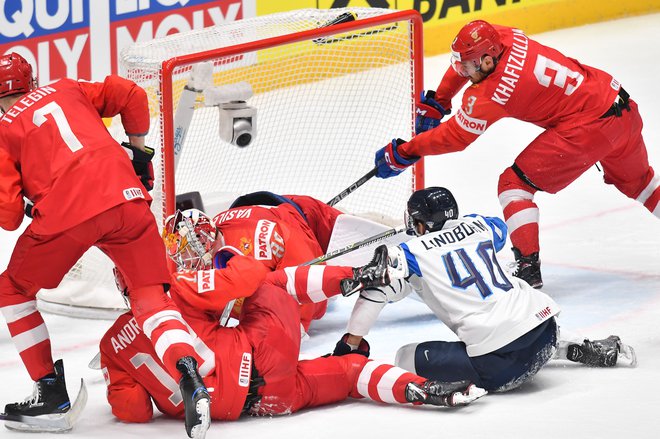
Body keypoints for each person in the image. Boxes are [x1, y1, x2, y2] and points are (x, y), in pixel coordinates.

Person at [100, 208, 485, 425]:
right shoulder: (178, 285)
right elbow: (250, 276)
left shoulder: (111, 343)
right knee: (270, 284)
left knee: (348, 372)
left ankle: (425, 391)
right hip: (261, 357)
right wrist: (226, 259)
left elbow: (132, 411)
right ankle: (358, 278)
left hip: (256, 404)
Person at [0, 53, 209, 438]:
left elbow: (8, 216)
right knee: (151, 299)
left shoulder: (3, 129)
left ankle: (50, 393)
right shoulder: (66, 87)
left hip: (68, 215)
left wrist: (30, 197)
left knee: (12, 289)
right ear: (32, 82)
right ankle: (190, 372)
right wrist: (140, 153)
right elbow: (130, 94)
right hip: (127, 198)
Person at [373, 20, 660, 288]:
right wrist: (441, 99)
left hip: (588, 128)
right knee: (643, 185)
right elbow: (467, 59)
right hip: (620, 104)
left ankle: (528, 268)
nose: (463, 71)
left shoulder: (491, 93)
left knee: (514, 186)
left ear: (487, 61)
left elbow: (456, 137)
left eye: (469, 66)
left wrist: (406, 151)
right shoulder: (503, 36)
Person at [335, 187, 637, 393]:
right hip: (546, 328)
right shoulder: (482, 226)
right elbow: (497, 228)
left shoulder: (410, 252)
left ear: (421, 225)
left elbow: (377, 284)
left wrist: (351, 343)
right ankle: (575, 345)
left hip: (499, 362)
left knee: (404, 357)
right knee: (513, 302)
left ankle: (447, 388)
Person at [210, 191, 344, 332]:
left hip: (311, 217)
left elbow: (306, 277)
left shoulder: (266, 239)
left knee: (352, 262)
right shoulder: (215, 241)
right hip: (284, 213)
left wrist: (295, 329)